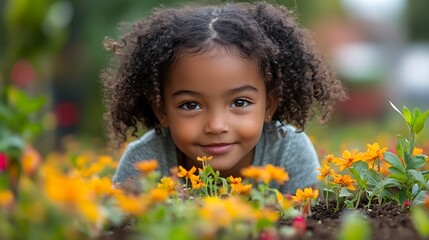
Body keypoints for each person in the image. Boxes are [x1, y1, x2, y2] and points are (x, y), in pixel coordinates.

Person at [101, 1, 346, 193]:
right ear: (161, 110)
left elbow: (310, 224)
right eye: (191, 105)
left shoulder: (288, 153)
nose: (216, 126)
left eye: (240, 102)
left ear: (269, 103)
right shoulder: (144, 163)